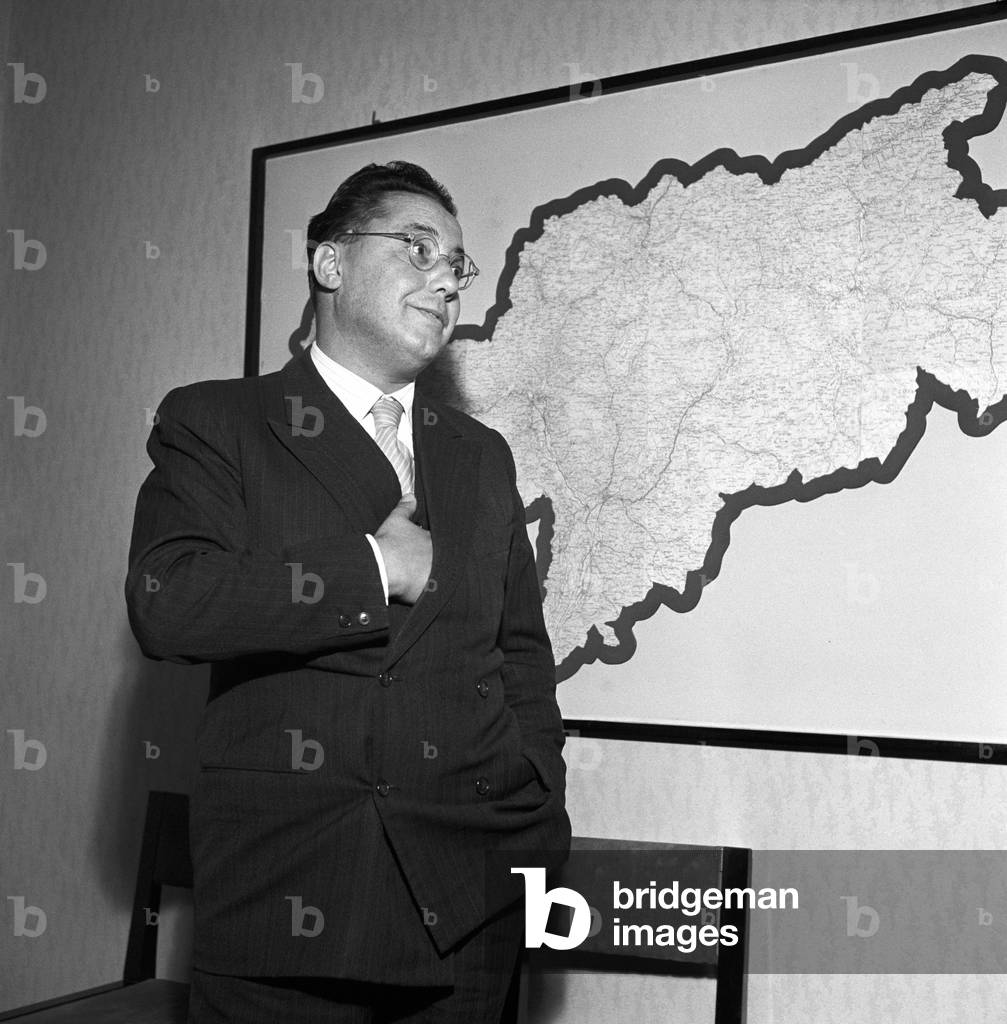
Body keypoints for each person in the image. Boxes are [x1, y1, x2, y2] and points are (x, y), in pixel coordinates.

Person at [125, 161, 571, 1022]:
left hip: (468, 897)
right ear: (329, 265)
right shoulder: (218, 421)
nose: (445, 277)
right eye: (417, 247)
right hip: (291, 900)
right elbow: (168, 598)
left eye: (457, 264)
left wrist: (535, 804)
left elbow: (520, 656)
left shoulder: (481, 457)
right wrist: (374, 567)